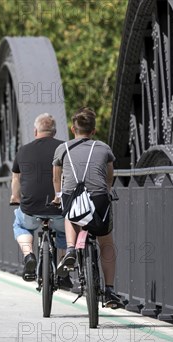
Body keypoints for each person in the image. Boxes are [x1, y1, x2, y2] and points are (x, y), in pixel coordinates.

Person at [52, 107, 123, 308]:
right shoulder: (104, 148)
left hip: (72, 197)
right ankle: (109, 290)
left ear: (73, 129)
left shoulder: (62, 149)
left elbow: (56, 178)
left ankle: (71, 250)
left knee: (69, 214)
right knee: (106, 242)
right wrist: (107, 190)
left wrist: (58, 197)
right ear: (93, 131)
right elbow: (109, 177)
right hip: (99, 198)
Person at [10, 113, 68, 286]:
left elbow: (16, 179)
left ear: (35, 131)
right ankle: (63, 266)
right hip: (59, 210)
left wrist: (15, 197)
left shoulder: (23, 150)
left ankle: (29, 255)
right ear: (54, 132)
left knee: (19, 224)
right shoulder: (64, 148)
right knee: (66, 229)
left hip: (31, 210)